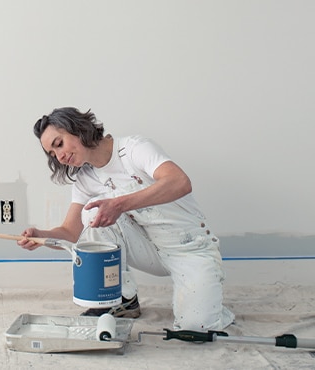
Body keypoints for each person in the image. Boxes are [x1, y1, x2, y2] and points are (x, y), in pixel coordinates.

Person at [18, 107, 234, 331]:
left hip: (190, 247)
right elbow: (71, 233)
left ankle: (210, 303)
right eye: (53, 155)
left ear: (77, 128)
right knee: (92, 214)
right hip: (149, 250)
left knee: (196, 328)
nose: (60, 156)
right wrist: (41, 237)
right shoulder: (85, 179)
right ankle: (122, 299)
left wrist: (119, 204)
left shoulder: (133, 149)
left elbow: (180, 182)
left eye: (59, 144)